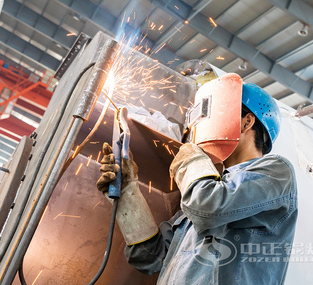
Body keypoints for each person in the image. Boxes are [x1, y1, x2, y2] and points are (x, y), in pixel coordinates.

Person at [96, 80, 298, 285]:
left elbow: (207, 205)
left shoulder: (276, 172)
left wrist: (191, 157)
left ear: (247, 122)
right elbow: (149, 257)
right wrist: (128, 192)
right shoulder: (207, 191)